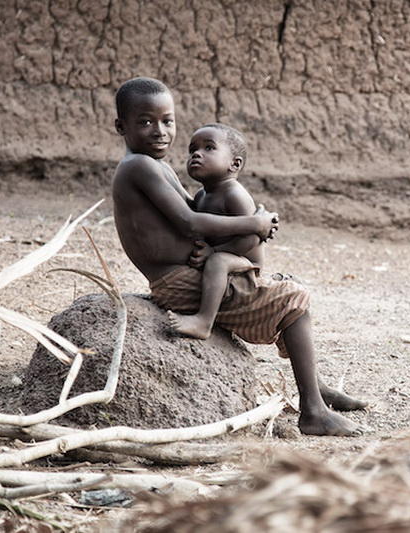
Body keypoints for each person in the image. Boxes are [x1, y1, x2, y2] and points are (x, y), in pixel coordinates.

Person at [111, 77, 366, 436]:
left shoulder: (158, 166)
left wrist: (231, 237)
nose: (159, 131)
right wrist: (255, 222)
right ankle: (312, 409)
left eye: (167, 121)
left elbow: (191, 222)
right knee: (294, 300)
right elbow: (189, 219)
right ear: (121, 126)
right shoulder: (138, 166)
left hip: (188, 275)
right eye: (145, 121)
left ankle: (315, 389)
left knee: (281, 289)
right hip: (180, 285)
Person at [165, 123, 266, 342]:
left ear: (234, 164)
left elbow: (250, 238)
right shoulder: (202, 195)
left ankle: (204, 321)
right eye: (192, 150)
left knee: (218, 262)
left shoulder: (234, 194)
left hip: (246, 264)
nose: (196, 154)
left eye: (209, 148)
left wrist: (214, 251)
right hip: (226, 258)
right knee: (215, 261)